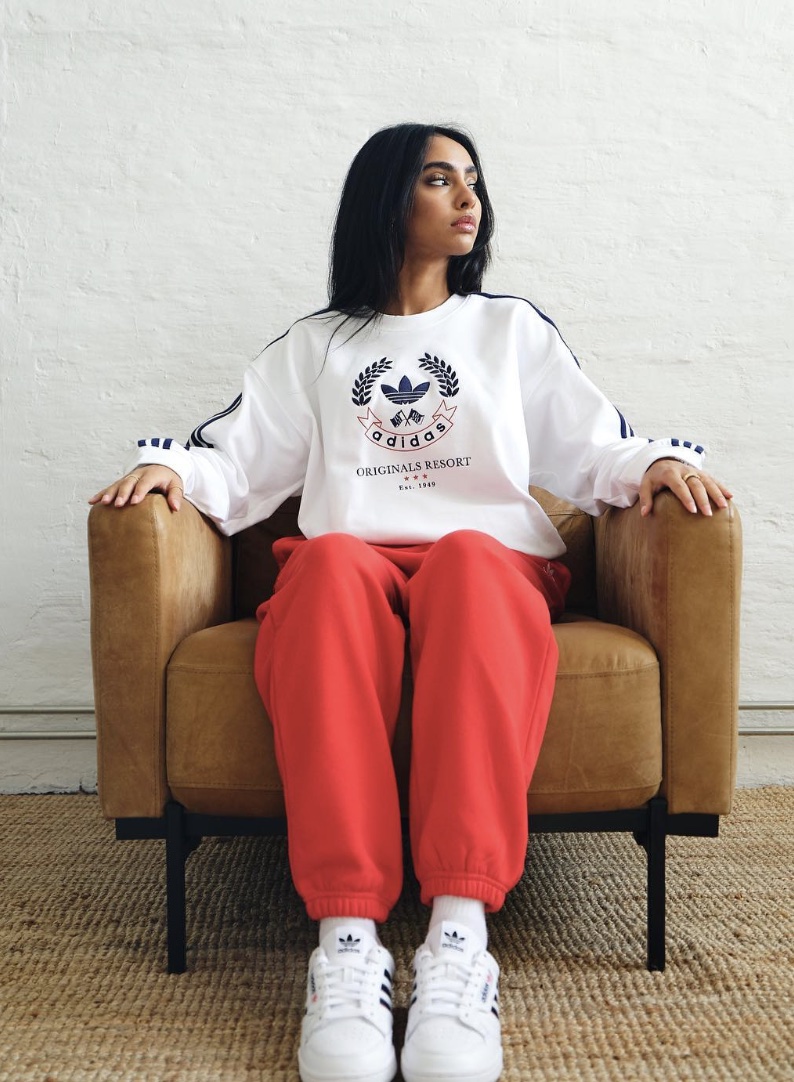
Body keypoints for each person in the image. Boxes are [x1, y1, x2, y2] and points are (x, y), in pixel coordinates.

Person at [90, 123, 732, 1082]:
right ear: (388, 199)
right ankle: (347, 944)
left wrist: (659, 463)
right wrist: (170, 471)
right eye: (440, 180)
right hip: (352, 562)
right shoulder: (317, 346)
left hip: (490, 569)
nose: (469, 198)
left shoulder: (508, 332)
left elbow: (594, 446)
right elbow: (237, 462)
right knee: (328, 567)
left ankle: (458, 943)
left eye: (473, 180)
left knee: (472, 560)